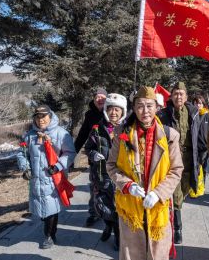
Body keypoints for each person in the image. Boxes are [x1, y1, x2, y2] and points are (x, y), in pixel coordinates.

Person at [106, 86, 183, 260]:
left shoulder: (169, 135)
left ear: (157, 107)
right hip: (130, 205)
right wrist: (127, 185)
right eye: (140, 106)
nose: (145, 111)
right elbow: (111, 166)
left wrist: (159, 193)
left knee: (158, 254)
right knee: (131, 254)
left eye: (149, 106)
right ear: (133, 108)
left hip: (158, 205)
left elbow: (176, 170)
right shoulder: (122, 133)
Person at [17, 105, 76, 249]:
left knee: (52, 207)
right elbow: (22, 154)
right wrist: (25, 168)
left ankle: (49, 235)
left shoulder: (61, 133)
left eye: (43, 116)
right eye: (37, 117)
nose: (40, 119)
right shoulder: (29, 135)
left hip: (53, 177)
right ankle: (48, 227)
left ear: (50, 116)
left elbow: (70, 153)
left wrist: (57, 166)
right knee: (42, 209)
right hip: (36, 179)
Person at [158, 81, 201, 244]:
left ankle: (172, 216)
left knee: (184, 190)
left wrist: (202, 157)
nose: (178, 96)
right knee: (175, 195)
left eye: (181, 94)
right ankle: (177, 228)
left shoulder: (194, 113)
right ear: (171, 96)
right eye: (175, 93)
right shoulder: (163, 114)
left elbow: (199, 136)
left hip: (189, 160)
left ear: (186, 96)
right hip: (171, 160)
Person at [84, 93, 127, 251]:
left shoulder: (127, 130)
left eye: (117, 110)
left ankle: (118, 236)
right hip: (101, 175)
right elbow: (88, 148)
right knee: (103, 207)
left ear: (123, 111)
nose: (113, 113)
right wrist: (93, 154)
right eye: (110, 109)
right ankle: (108, 227)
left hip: (120, 177)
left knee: (118, 210)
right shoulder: (97, 129)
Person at [75, 87, 108, 227]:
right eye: (97, 97)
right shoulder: (89, 115)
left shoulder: (112, 112)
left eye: (102, 97)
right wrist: (73, 152)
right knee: (95, 187)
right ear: (93, 100)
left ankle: (112, 214)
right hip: (95, 158)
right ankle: (94, 213)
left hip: (112, 158)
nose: (99, 99)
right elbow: (82, 134)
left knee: (112, 188)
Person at [192, 94, 209, 181]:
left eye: (200, 103)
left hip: (204, 147)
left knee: (203, 167)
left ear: (203, 104)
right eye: (196, 103)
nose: (198, 105)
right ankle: (194, 186)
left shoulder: (208, 115)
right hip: (193, 146)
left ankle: (201, 185)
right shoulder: (191, 115)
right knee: (194, 167)